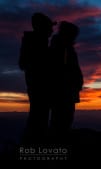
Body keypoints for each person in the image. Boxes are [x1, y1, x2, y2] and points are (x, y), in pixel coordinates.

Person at [19, 12, 56, 143]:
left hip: (38, 87)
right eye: (49, 27)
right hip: (38, 88)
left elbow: (24, 64)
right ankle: (33, 146)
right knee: (38, 116)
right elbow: (26, 64)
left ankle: (34, 143)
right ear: (42, 27)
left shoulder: (38, 41)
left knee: (39, 116)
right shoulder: (36, 42)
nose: (52, 30)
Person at [49, 21, 83, 140]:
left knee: (64, 119)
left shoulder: (64, 47)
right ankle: (59, 144)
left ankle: (60, 139)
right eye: (73, 34)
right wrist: (73, 84)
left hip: (67, 91)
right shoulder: (61, 47)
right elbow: (63, 70)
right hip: (64, 92)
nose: (75, 36)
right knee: (62, 119)